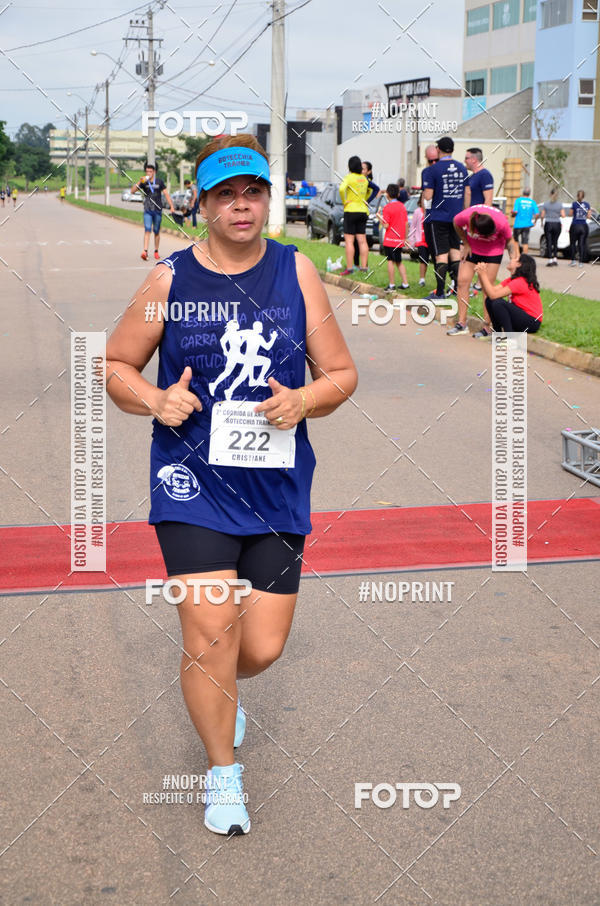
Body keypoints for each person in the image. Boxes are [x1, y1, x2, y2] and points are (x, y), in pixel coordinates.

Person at [104, 133, 358, 838]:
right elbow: (118, 365)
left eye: (252, 192)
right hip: (191, 483)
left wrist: (305, 400)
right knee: (211, 633)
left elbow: (340, 373)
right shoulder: (169, 282)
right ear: (203, 206)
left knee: (261, 649)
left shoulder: (297, 272)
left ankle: (218, 685)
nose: (241, 206)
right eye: (225, 196)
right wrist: (154, 401)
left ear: (266, 200)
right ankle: (222, 772)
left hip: (275, 485)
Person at [451, 204, 517, 337]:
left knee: (488, 288)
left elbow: (510, 241)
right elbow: (456, 223)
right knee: (462, 282)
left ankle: (487, 326)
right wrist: (466, 243)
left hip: (493, 252)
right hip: (472, 250)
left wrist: (514, 260)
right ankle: (461, 323)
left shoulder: (501, 222)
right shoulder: (465, 216)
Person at [421, 136, 468, 302]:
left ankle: (440, 292)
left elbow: (428, 195)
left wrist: (424, 195)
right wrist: (464, 213)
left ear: (438, 149)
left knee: (441, 255)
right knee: (455, 253)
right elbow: (467, 193)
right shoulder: (462, 168)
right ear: (452, 150)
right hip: (457, 218)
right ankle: (457, 289)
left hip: (438, 217)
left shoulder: (431, 170)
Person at [475, 254, 542, 334]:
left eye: (515, 258)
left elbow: (493, 295)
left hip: (532, 322)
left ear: (519, 264)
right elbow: (490, 292)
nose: (512, 259)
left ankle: (510, 339)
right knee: (489, 301)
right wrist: (481, 274)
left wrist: (483, 274)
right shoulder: (511, 280)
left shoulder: (520, 282)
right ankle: (497, 335)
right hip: (521, 318)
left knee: (498, 303)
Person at [131, 162, 175, 260]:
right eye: (147, 171)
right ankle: (145, 251)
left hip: (158, 209)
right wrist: (139, 182)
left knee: (156, 231)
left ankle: (156, 251)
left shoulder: (159, 182)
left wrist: (171, 206)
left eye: (150, 171)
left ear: (154, 172)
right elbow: (132, 191)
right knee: (147, 230)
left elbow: (166, 194)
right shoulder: (144, 182)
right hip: (147, 209)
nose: (148, 173)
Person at [339, 155, 370, 276]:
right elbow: (370, 190)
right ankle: (364, 268)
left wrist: (344, 201)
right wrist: (364, 199)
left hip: (351, 210)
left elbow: (342, 189)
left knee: (349, 241)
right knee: (362, 240)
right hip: (363, 210)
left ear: (349, 166)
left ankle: (350, 268)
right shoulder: (364, 179)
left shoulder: (349, 177)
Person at [378, 183, 409, 292]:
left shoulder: (387, 207)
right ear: (398, 194)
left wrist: (379, 217)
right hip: (400, 239)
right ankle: (405, 283)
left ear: (387, 194)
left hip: (390, 240)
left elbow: (386, 225)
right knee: (399, 261)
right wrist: (405, 238)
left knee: (390, 261)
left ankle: (391, 285)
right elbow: (406, 224)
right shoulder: (402, 206)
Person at [539, 189, 565, 267]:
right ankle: (555, 259)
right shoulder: (560, 205)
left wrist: (541, 222)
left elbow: (542, 215)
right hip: (557, 223)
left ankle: (550, 259)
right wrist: (557, 215)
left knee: (549, 242)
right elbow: (563, 215)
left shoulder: (546, 204)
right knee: (555, 241)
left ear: (550, 195)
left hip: (548, 223)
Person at [407, 193, 428, 287]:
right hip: (421, 240)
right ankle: (422, 279)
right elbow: (413, 227)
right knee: (423, 259)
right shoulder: (417, 212)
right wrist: (411, 241)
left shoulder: (433, 211)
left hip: (431, 240)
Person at [511, 188, 539, 254]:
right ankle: (525, 256)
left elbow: (515, 211)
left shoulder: (518, 200)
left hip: (518, 224)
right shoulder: (532, 202)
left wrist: (512, 214)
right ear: (529, 194)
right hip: (527, 225)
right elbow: (537, 214)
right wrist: (534, 222)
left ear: (523, 193)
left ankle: (517, 255)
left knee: (515, 240)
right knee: (525, 241)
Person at [569, 189, 592, 268]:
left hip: (575, 225)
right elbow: (589, 216)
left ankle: (573, 261)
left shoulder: (574, 204)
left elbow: (570, 214)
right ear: (584, 196)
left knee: (572, 244)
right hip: (583, 226)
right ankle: (581, 262)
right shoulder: (587, 204)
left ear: (577, 196)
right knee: (581, 244)